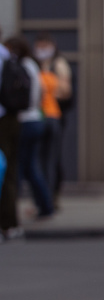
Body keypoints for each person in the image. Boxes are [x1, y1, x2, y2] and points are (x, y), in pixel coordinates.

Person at [4, 36, 54, 220]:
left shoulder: (19, 66)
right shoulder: (32, 66)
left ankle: (11, 211)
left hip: (24, 120)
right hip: (35, 118)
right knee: (31, 167)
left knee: (17, 168)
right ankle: (45, 205)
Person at [33, 34, 71, 202]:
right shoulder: (34, 65)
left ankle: (48, 197)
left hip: (50, 117)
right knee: (41, 160)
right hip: (42, 117)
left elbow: (66, 92)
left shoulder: (58, 65)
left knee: (49, 160)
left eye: (45, 46)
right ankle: (45, 198)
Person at [0, 24, 22, 238]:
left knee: (2, 170)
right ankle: (10, 223)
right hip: (12, 118)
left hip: (2, 120)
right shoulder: (10, 56)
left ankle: (7, 223)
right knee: (9, 171)